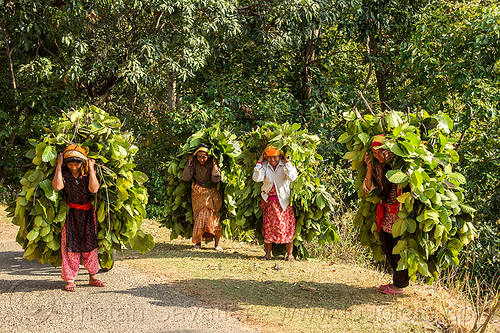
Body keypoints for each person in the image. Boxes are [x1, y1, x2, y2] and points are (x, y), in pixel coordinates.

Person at [51, 144, 107, 292]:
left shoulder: (87, 174)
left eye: (76, 163)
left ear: (82, 163)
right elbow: (57, 187)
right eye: (70, 163)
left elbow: (94, 189)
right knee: (70, 246)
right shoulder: (64, 174)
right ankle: (70, 280)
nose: (73, 167)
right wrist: (59, 165)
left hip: (88, 213)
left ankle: (93, 277)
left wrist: (92, 168)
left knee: (90, 245)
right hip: (70, 214)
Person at [363, 135, 409, 295]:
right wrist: (369, 168)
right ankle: (397, 282)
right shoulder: (378, 168)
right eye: (375, 154)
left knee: (399, 248)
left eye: (380, 153)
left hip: (400, 215)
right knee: (388, 246)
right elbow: (367, 189)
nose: (378, 157)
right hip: (386, 214)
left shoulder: (399, 166)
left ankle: (399, 286)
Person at [253, 146, 298, 261]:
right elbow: (257, 178)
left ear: (280, 156)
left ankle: (290, 255)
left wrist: (288, 163)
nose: (273, 160)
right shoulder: (264, 165)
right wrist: (259, 162)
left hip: (284, 202)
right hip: (269, 202)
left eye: (275, 157)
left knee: (287, 227)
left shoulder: (284, 165)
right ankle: (268, 254)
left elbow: (292, 177)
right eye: (269, 157)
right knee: (269, 227)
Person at [181, 143, 223, 251]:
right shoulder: (194, 163)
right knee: (199, 216)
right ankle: (198, 243)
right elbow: (185, 178)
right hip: (197, 192)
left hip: (211, 193)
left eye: (204, 157)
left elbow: (216, 179)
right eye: (199, 157)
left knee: (213, 216)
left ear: (208, 156)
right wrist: (189, 163)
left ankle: (217, 244)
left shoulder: (211, 163)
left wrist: (214, 164)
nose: (201, 159)